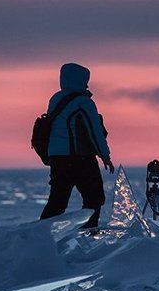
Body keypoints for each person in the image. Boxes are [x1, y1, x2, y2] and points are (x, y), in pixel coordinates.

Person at [39, 63, 114, 229]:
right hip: (80, 157)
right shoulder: (83, 102)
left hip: (57, 158)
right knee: (94, 198)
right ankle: (89, 233)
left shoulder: (56, 99)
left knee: (57, 201)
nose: (87, 84)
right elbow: (95, 131)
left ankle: (41, 233)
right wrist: (105, 156)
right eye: (85, 80)